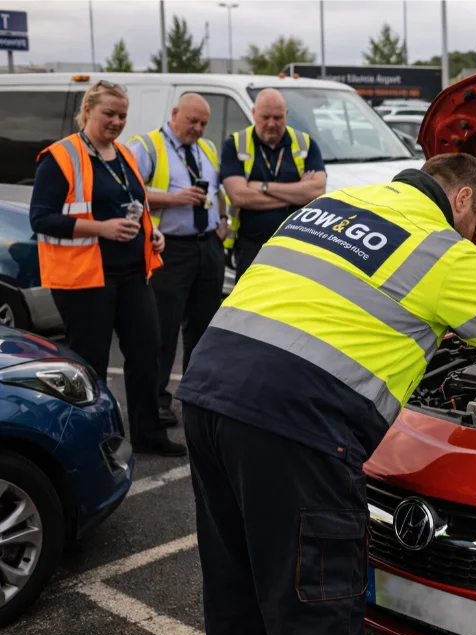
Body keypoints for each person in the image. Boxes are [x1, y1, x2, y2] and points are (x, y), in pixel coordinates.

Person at [174, 153, 476, 635]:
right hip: (297, 422)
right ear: (462, 197)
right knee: (316, 607)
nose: (474, 238)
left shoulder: (333, 206)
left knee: (235, 580)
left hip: (207, 391)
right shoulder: (442, 248)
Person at [28, 80, 185, 457]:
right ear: (87, 111)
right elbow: (41, 218)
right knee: (91, 365)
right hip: (84, 280)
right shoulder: (60, 156)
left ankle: (148, 434)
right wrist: (101, 229)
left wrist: (152, 233)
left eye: (122, 115)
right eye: (109, 114)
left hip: (133, 273)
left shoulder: (124, 153)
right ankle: (93, 442)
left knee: (146, 353)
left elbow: (135, 205)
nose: (116, 121)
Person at [128, 93, 228, 428]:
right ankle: (157, 401)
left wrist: (223, 220)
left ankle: (196, 396)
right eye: (192, 121)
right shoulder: (147, 146)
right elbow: (128, 192)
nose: (198, 129)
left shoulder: (207, 148)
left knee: (204, 327)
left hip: (207, 246)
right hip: (170, 249)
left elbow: (217, 191)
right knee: (163, 328)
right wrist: (174, 199)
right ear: (174, 114)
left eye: (203, 123)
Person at [219, 88, 326, 280]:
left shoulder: (305, 143)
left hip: (297, 245)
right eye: (265, 117)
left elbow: (317, 190)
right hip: (252, 246)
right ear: (254, 113)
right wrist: (296, 195)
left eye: (278, 118)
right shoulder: (235, 144)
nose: (271, 124)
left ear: (286, 114)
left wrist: (263, 187)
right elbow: (238, 197)